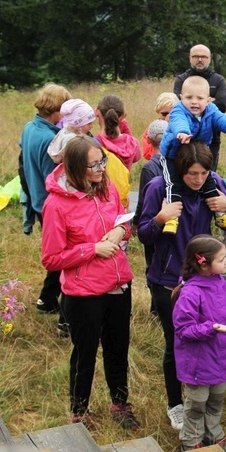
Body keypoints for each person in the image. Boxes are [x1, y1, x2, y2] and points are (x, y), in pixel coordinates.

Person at [41, 135, 138, 430]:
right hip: (83, 294)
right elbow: (51, 258)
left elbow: (123, 219)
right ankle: (79, 411)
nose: (100, 169)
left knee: (118, 347)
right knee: (85, 354)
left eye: (101, 161)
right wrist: (92, 249)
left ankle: (120, 403)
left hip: (118, 284)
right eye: (92, 165)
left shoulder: (106, 187)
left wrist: (121, 231)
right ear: (73, 168)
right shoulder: (56, 205)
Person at [137, 142, 226, 432]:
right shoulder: (159, 188)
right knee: (176, 342)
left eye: (204, 172)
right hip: (168, 280)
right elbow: (142, 234)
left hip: (205, 282)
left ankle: (200, 402)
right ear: (181, 169)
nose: (198, 179)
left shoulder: (214, 184)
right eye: (192, 173)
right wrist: (159, 218)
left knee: (206, 339)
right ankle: (175, 405)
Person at [172, 235, 226, 452]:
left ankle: (212, 433)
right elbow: (184, 330)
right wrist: (212, 328)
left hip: (219, 356)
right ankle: (191, 438)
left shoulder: (221, 283)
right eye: (222, 259)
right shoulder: (190, 293)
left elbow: (223, 311)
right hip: (198, 360)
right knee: (197, 403)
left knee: (216, 399)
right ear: (203, 264)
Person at [159, 75, 226, 234]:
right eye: (189, 97)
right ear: (181, 97)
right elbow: (178, 122)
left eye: (200, 98)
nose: (194, 102)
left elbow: (224, 121)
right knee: (173, 184)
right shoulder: (178, 109)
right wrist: (182, 132)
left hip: (197, 155)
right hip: (172, 156)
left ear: (209, 99)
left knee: (209, 183)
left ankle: (220, 215)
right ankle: (172, 217)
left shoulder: (211, 111)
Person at [19, 83, 72, 319]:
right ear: (57, 110)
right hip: (50, 204)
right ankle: (48, 299)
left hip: (37, 200)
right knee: (61, 253)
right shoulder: (51, 140)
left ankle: (48, 298)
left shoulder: (29, 127)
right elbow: (56, 179)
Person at [173, 44, 226, 170]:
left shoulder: (218, 80)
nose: (199, 60)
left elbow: (221, 105)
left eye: (203, 57)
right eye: (196, 56)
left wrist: (193, 106)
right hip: (185, 137)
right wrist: (206, 103)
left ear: (209, 59)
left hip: (212, 137)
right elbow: (178, 105)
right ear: (190, 58)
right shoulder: (181, 79)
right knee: (185, 171)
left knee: (208, 173)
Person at [133, 120, 167, 313]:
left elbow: (143, 200)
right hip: (168, 220)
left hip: (153, 222)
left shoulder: (149, 167)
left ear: (149, 140)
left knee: (152, 263)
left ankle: (156, 306)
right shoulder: (172, 162)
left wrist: (137, 222)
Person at [94, 95, 141, 171]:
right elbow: (137, 157)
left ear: (97, 112)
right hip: (123, 183)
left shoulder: (93, 145)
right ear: (122, 116)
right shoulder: (132, 143)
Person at [47, 99, 96, 163]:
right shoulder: (74, 141)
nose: (91, 126)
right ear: (78, 124)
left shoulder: (65, 132)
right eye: (89, 123)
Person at [141, 92, 178, 161]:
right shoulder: (153, 128)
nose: (168, 117)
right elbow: (147, 153)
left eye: (172, 113)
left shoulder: (183, 127)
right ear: (158, 111)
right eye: (164, 114)